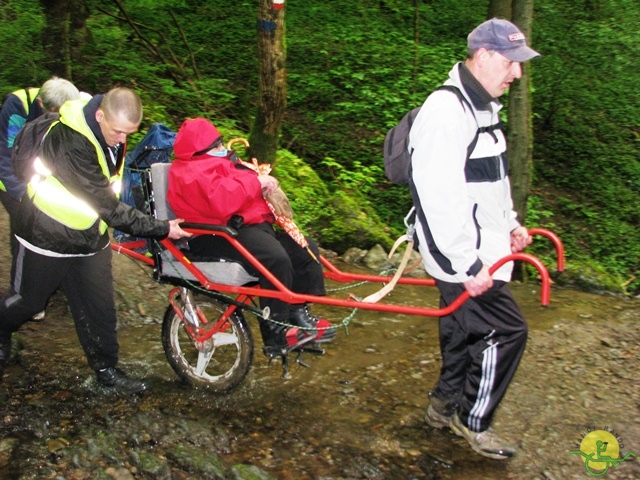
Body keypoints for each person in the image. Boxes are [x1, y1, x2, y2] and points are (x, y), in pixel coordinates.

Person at [0, 87, 191, 394]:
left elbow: (111, 189)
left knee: (98, 306)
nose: (122, 139)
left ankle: (106, 371)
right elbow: (109, 206)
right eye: (118, 132)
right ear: (100, 115)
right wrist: (161, 228)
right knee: (28, 301)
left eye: (129, 133)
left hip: (89, 236)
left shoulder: (109, 132)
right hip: (45, 234)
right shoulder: (70, 143)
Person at [407, 18, 539, 460]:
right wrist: (468, 267)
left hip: (483, 249)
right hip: (462, 257)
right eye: (510, 62)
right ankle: (472, 419)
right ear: (482, 56)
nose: (516, 73)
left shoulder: (484, 108)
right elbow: (438, 198)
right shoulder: (446, 113)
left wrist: (511, 224)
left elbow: (490, 181)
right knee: (508, 331)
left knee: (463, 329)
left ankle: (443, 408)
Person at [167, 117, 336, 358]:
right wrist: (257, 183)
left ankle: (299, 312)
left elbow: (238, 187)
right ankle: (276, 335)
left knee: (303, 247)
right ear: (201, 148)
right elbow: (221, 201)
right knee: (274, 258)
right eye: (216, 144)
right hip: (212, 233)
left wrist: (262, 183)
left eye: (220, 143)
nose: (221, 148)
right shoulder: (188, 171)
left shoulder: (222, 162)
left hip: (245, 226)